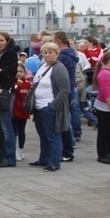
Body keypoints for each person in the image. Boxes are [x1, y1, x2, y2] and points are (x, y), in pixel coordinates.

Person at [29, 43, 70, 172]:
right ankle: (44, 159)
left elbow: (64, 91)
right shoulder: (43, 66)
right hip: (39, 106)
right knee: (43, 135)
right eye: (45, 52)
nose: (48, 55)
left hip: (48, 106)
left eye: (51, 52)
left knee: (52, 136)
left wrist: (52, 107)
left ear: (57, 53)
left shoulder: (59, 68)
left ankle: (54, 162)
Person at [0, 32, 18, 167]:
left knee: (7, 126)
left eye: (2, 40)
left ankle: (10, 157)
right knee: (0, 126)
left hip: (6, 92)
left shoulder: (11, 54)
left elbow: (10, 71)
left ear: (7, 41)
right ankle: (2, 152)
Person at [13, 62, 32, 161]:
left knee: (21, 131)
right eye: (17, 72)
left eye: (21, 71)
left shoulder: (28, 84)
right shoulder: (13, 83)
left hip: (23, 112)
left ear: (25, 72)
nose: (19, 73)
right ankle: (14, 150)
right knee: (14, 131)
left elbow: (29, 97)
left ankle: (21, 149)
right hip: (13, 111)